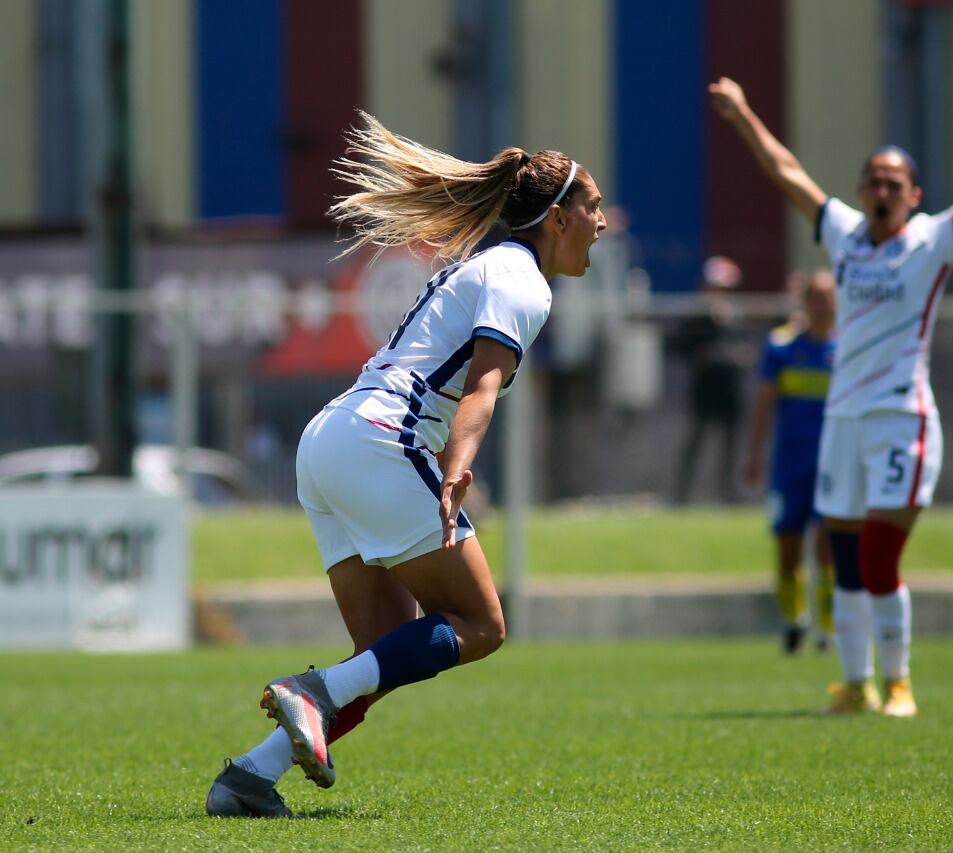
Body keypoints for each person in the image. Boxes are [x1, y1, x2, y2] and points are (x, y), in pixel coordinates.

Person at [206, 112, 607, 817]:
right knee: (483, 625)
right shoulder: (524, 280)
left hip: (331, 438)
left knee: (380, 656)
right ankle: (309, 692)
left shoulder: (485, 265)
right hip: (383, 443)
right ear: (557, 216)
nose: (602, 222)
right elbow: (483, 384)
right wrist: (459, 461)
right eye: (593, 206)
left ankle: (248, 775)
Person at [709, 76, 953, 717]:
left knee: (879, 557)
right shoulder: (845, 235)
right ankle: (856, 684)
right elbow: (787, 171)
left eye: (892, 182)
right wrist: (742, 114)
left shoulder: (932, 240)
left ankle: (899, 681)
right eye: (872, 180)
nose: (881, 190)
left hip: (900, 419)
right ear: (861, 191)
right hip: (842, 420)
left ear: (913, 195)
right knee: (845, 560)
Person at [742, 270, 838, 655]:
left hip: (831, 466)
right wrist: (754, 453)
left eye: (825, 297)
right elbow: (764, 403)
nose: (819, 305)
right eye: (813, 297)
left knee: (829, 546)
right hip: (789, 466)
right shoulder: (781, 346)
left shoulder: (846, 349)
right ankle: (794, 618)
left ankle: (827, 629)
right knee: (787, 546)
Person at [672, 255, 749, 504]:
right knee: (695, 444)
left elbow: (747, 346)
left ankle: (728, 494)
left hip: (730, 390)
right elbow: (675, 344)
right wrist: (698, 354)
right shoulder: (697, 317)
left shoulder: (738, 315)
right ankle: (681, 495)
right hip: (705, 390)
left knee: (730, 449)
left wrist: (742, 356)